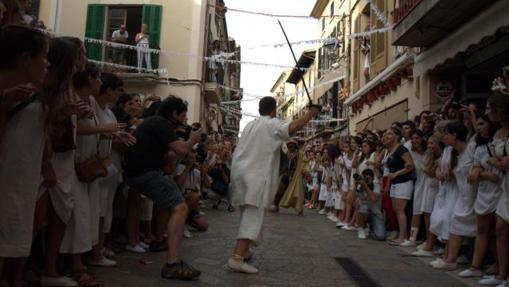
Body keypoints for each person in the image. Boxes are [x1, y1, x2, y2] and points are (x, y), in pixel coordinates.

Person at [227, 97, 320, 274]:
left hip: (240, 174)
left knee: (247, 213)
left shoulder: (250, 125)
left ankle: (244, 251)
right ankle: (237, 258)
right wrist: (310, 114)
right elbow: (291, 128)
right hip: (255, 176)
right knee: (252, 216)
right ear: (273, 110)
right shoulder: (271, 124)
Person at [123, 96, 202, 280]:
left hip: (140, 172)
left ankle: (159, 241)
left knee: (168, 204)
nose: (184, 120)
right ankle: (173, 264)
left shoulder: (156, 124)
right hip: (144, 173)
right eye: (182, 115)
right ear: (173, 113)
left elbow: (167, 156)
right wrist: (192, 139)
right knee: (180, 207)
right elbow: (182, 149)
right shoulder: (160, 123)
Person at [355, 169, 385, 240]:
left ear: (373, 178)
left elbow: (373, 199)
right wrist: (354, 186)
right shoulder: (360, 186)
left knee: (381, 236)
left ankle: (371, 229)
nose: (366, 180)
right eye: (365, 177)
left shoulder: (376, 186)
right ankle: (361, 229)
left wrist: (365, 186)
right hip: (365, 213)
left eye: (368, 178)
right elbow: (351, 200)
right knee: (363, 206)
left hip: (376, 214)